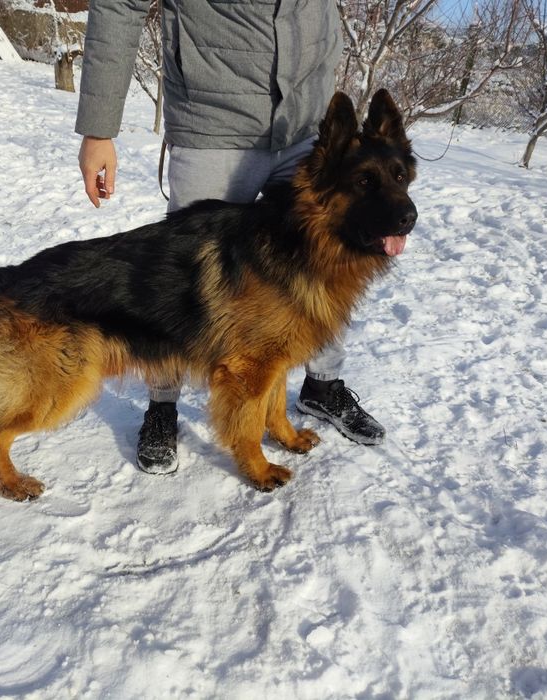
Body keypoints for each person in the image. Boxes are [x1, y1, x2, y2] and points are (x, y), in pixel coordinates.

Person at [75, 0, 386, 475]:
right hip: (213, 122)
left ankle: (321, 385)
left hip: (306, 127)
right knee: (182, 283)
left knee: (323, 277)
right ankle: (163, 406)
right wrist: (99, 128)